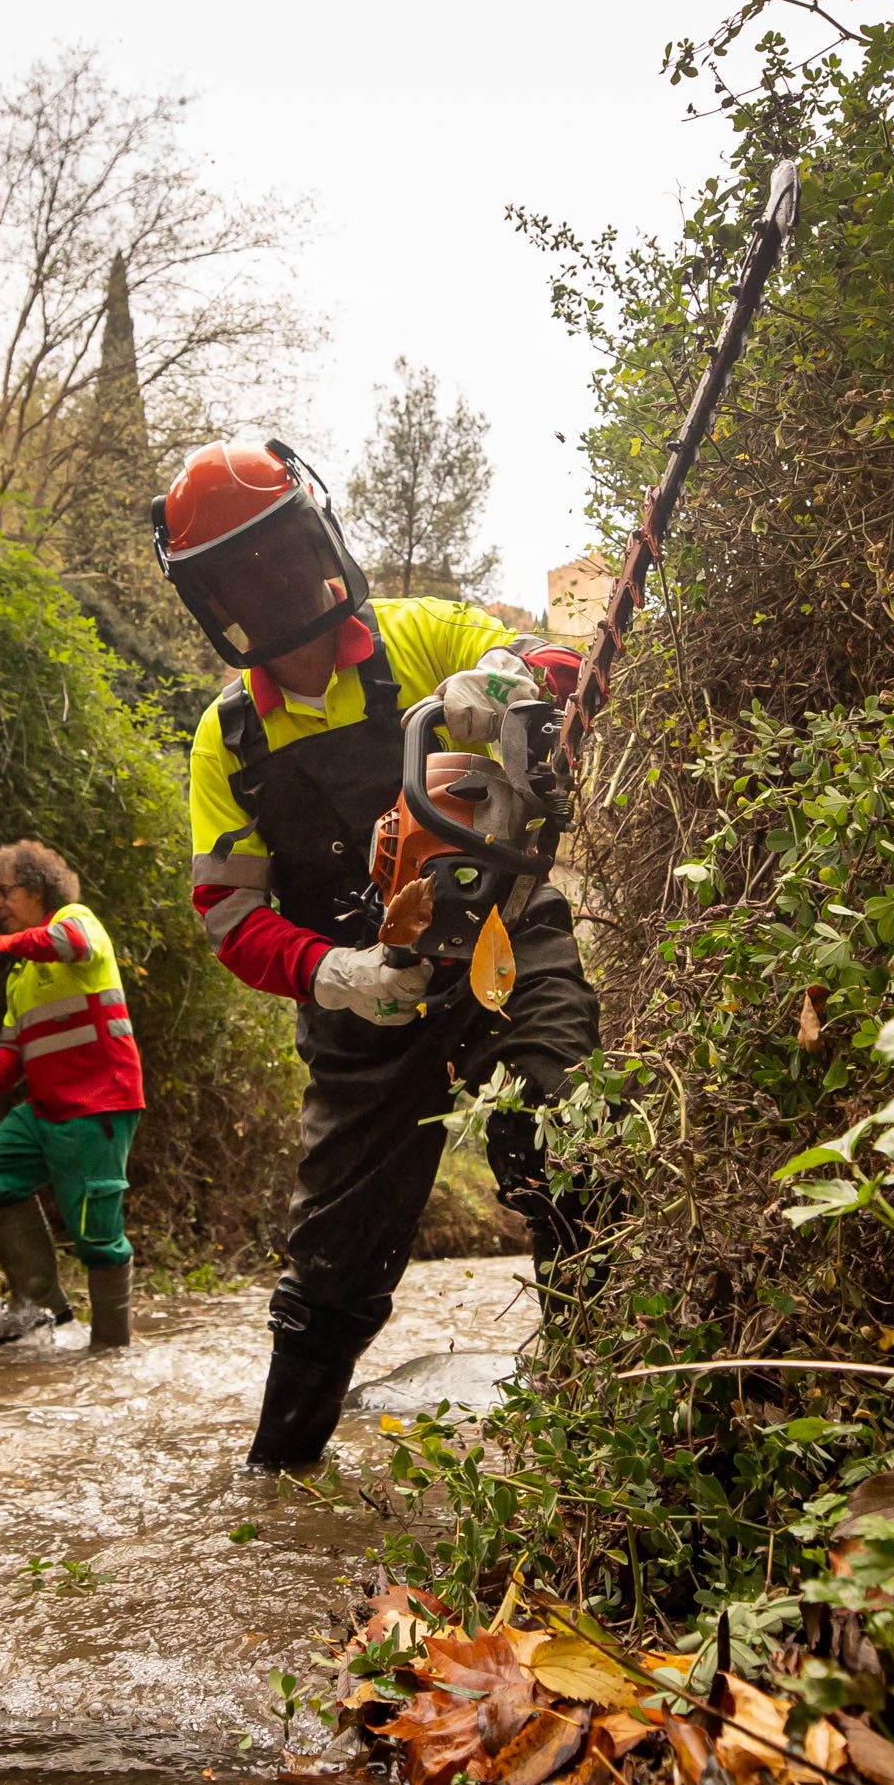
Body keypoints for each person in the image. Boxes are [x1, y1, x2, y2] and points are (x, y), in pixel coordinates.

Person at [148, 436, 598, 1471]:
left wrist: (504, 678)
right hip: (362, 1000)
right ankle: (276, 1473)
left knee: (567, 1138)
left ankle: (601, 1435)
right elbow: (228, 917)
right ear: (213, 597)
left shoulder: (420, 631)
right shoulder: (228, 739)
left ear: (318, 538)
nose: (268, 582)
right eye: (239, 573)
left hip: (501, 934)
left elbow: (550, 661)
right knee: (331, 1266)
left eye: (279, 552)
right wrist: (334, 972)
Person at [0, 839, 145, 1350]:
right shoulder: (21, 975)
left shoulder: (77, 920)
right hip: (45, 1109)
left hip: (100, 1105)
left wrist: (10, 944)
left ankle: (111, 1355)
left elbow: (71, 944)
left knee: (96, 1237)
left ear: (39, 887)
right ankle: (39, 1306)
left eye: (5, 892)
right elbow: (11, 1053)